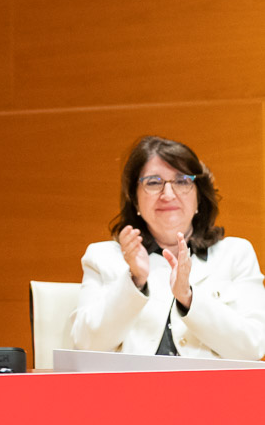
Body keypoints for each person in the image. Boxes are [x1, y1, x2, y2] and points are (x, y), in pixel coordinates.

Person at [69, 136, 265, 360]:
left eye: (182, 181)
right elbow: (85, 345)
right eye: (153, 182)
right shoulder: (102, 256)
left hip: (208, 382)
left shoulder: (235, 254)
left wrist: (188, 297)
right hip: (132, 381)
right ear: (135, 199)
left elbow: (254, 347)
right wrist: (135, 281)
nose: (168, 194)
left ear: (199, 196)